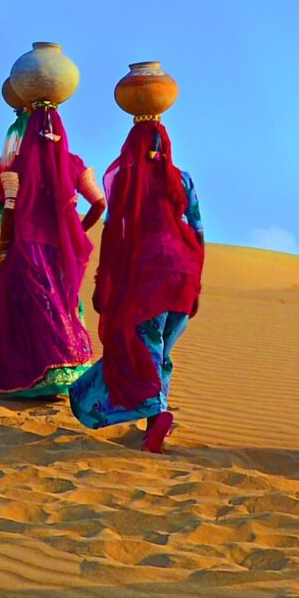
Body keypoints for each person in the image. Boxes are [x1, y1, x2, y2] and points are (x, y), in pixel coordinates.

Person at [69, 118, 204, 452]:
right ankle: (151, 422)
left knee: (144, 349)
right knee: (160, 352)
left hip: (149, 280)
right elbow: (199, 231)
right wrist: (196, 284)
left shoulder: (128, 181)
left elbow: (113, 232)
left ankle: (157, 416)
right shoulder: (183, 180)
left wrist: (104, 282)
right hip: (184, 276)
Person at [0, 104, 103, 398]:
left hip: (28, 250)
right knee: (62, 306)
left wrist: (3, 249)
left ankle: (38, 375)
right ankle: (68, 370)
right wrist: (75, 232)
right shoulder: (74, 164)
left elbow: (9, 210)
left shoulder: (14, 165)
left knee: (30, 311)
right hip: (63, 254)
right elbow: (99, 204)